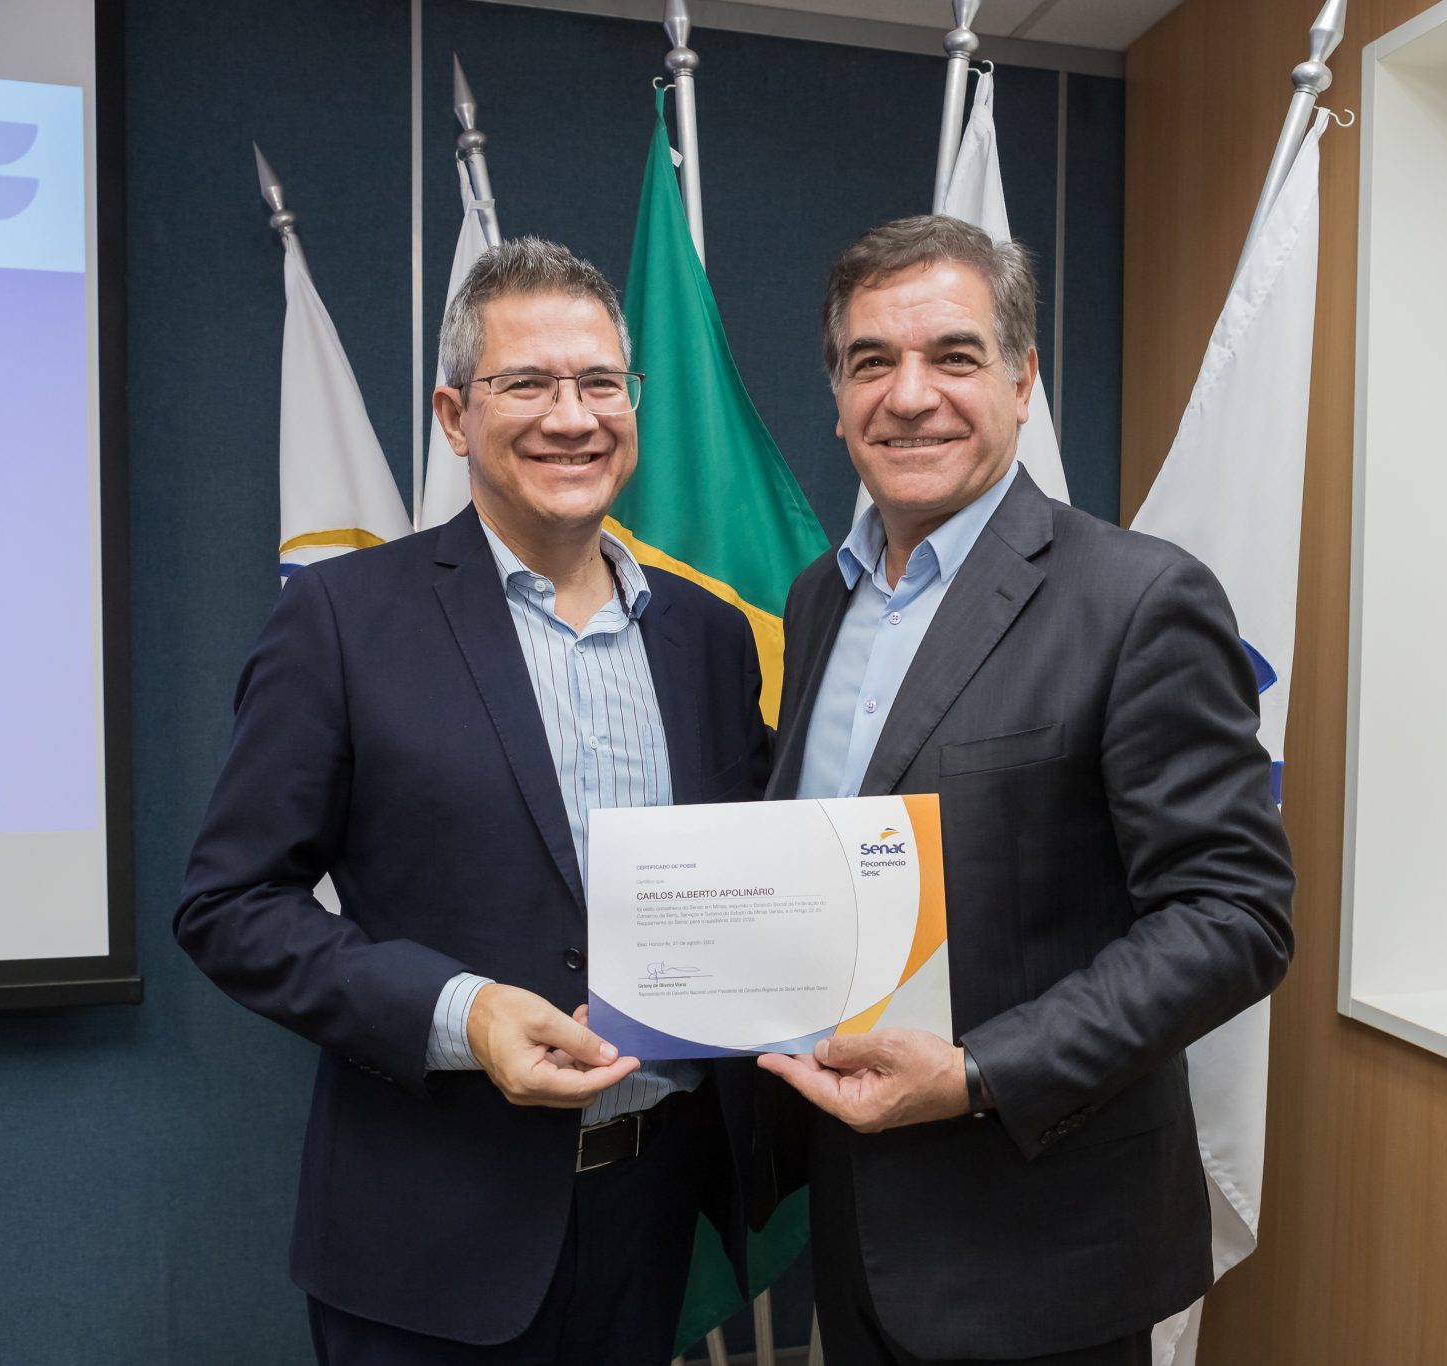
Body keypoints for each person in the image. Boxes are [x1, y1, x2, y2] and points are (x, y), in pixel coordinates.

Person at [176, 238, 769, 1365]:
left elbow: (747, 874)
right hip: (429, 1239)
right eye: (527, 384)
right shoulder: (341, 621)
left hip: (654, 1214)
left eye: (600, 383)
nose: (572, 417)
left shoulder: (708, 636)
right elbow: (229, 906)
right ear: (454, 416)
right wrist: (464, 1013)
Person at [758, 215, 1296, 1365]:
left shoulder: (1138, 600)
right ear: (837, 396)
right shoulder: (817, 600)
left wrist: (976, 1073)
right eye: (870, 361)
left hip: (1044, 1255)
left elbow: (1233, 916)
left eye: (952, 356)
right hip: (853, 1230)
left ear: (1020, 377)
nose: (909, 396)